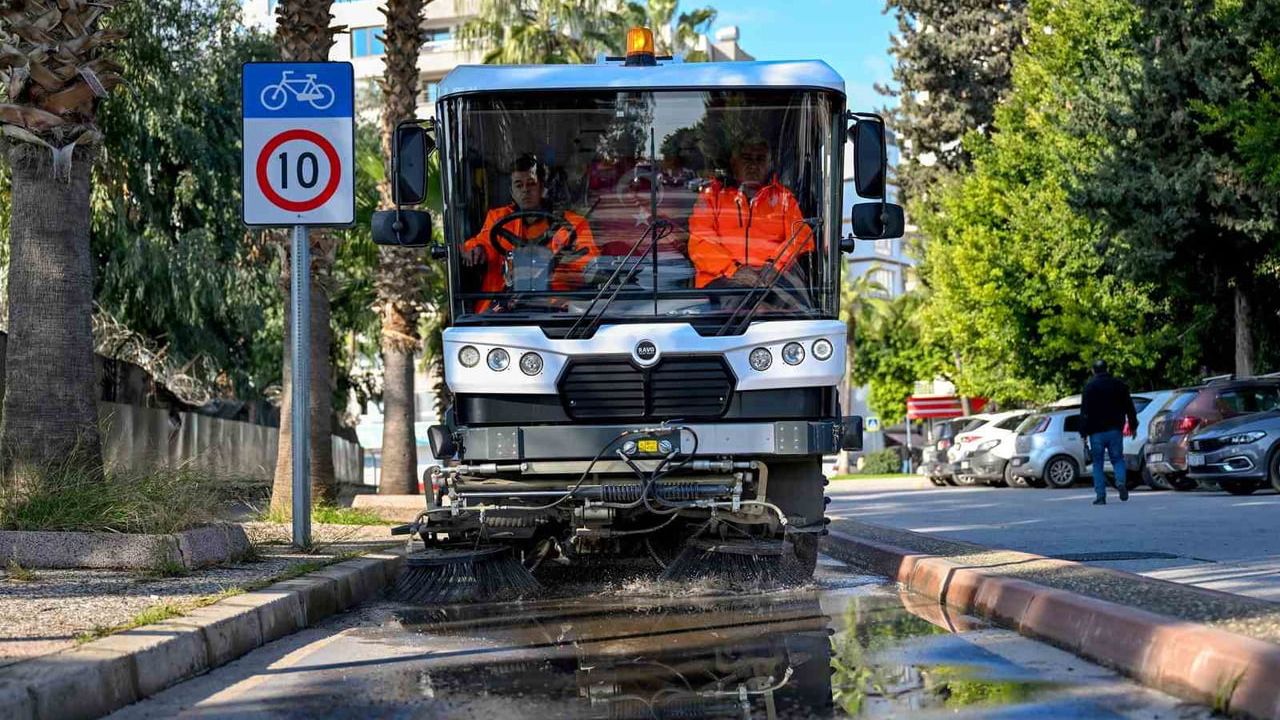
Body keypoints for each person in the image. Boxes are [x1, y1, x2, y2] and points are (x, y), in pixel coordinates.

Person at [461, 154, 598, 312]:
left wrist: (563, 264)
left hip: (558, 309)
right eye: (519, 185)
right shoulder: (497, 219)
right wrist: (476, 250)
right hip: (502, 309)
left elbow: (589, 265)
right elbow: (480, 243)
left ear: (541, 188)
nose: (525, 190)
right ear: (512, 192)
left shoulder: (574, 224)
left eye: (531, 184)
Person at [687, 138, 815, 291]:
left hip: (771, 282)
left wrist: (775, 265)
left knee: (793, 305)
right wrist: (734, 270)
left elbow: (801, 237)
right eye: (746, 159)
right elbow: (700, 244)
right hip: (720, 283)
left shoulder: (784, 199)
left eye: (760, 159)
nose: (753, 166)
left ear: (769, 165)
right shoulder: (712, 196)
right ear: (734, 164)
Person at [1080, 360, 1139, 505]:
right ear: (1107, 368)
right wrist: (1133, 426)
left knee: (1097, 464)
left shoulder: (1089, 387)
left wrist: (1083, 432)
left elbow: (1084, 412)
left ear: (1093, 371)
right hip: (1115, 430)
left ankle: (1101, 496)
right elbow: (1129, 408)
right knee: (1118, 459)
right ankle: (1120, 481)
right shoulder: (1119, 385)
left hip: (1096, 433)